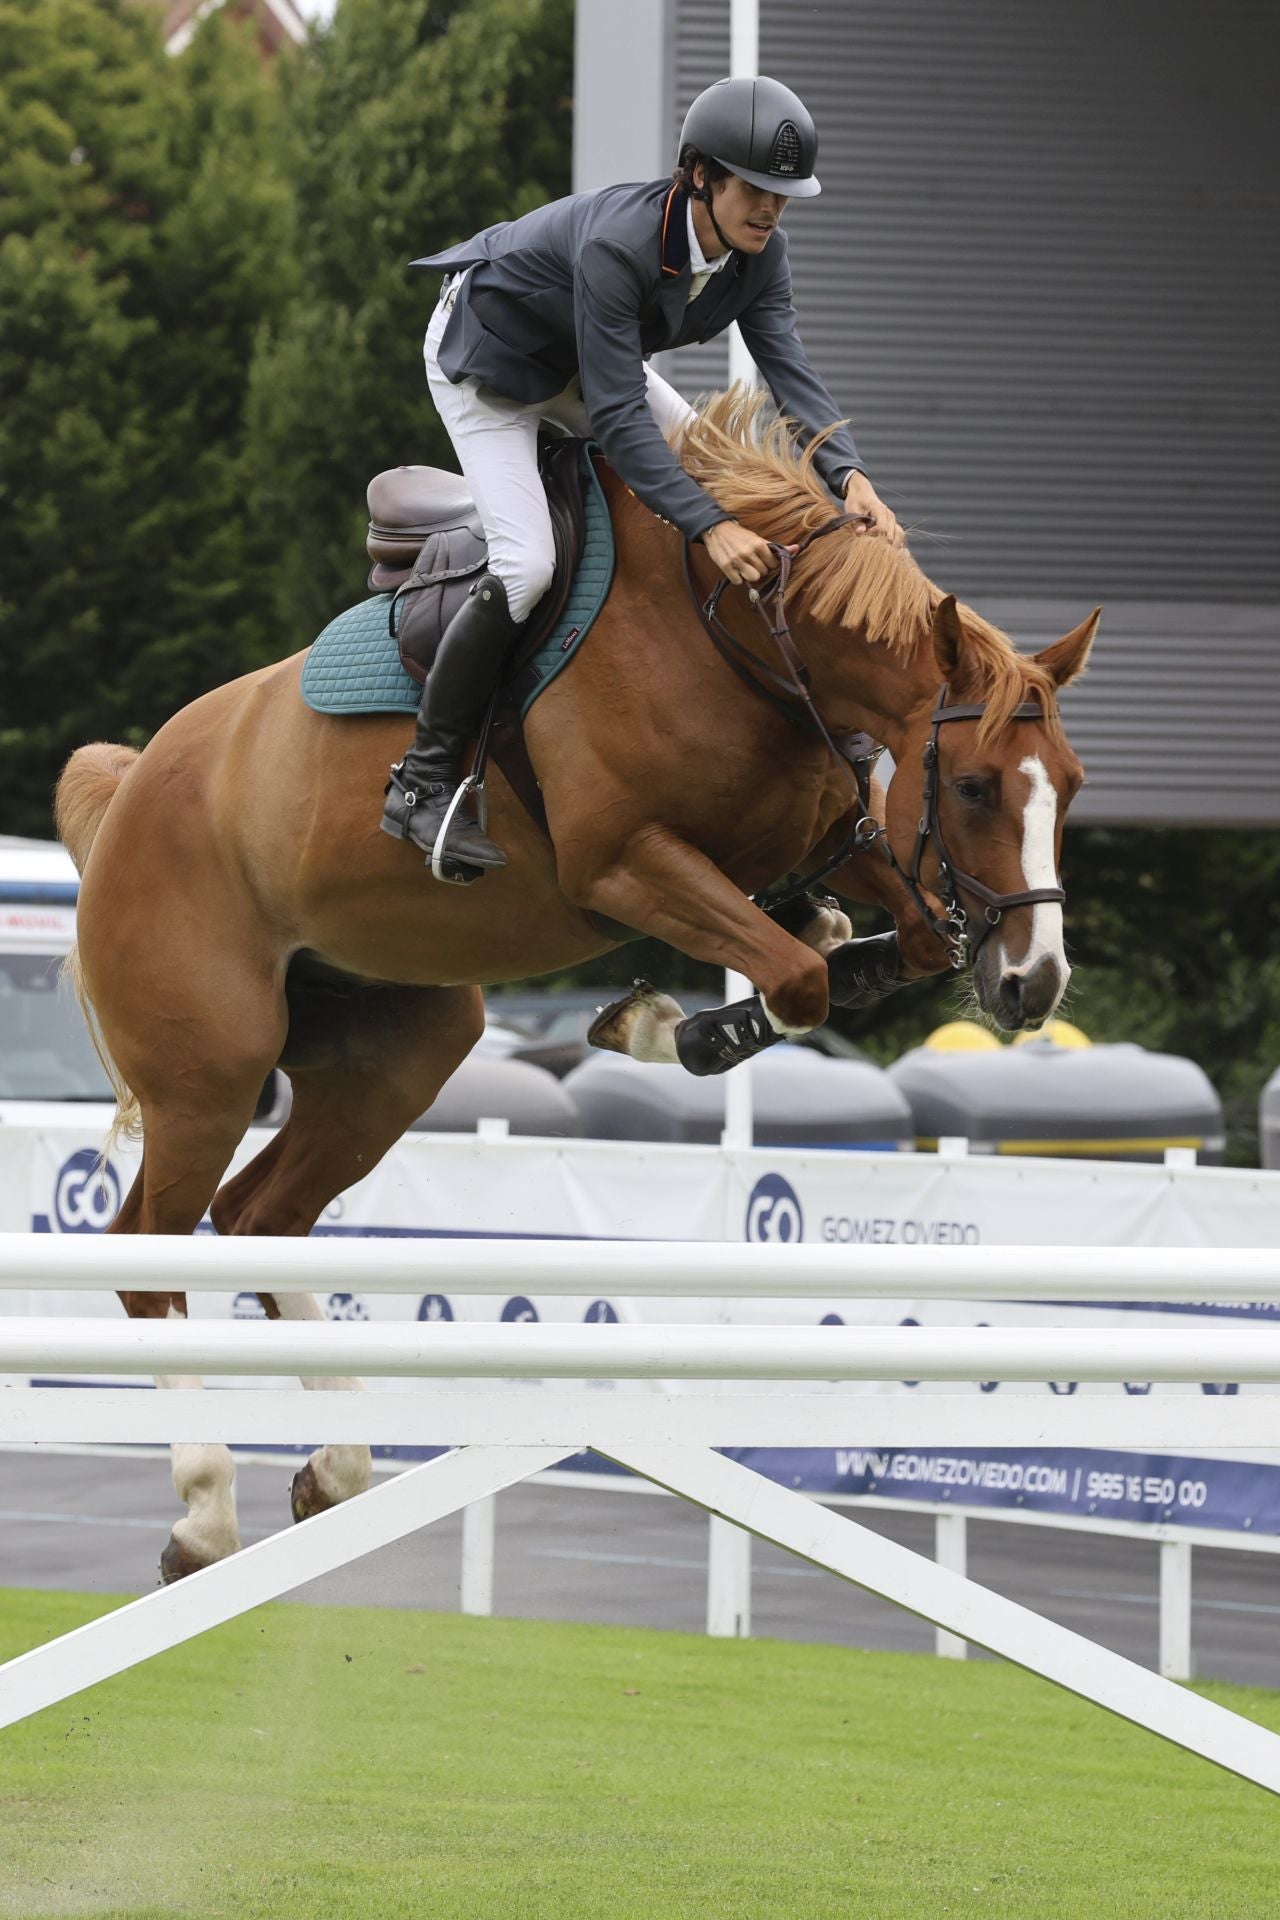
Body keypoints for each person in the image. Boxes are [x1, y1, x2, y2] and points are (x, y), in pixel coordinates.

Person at [383, 75, 899, 878]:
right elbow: (621, 418)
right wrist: (709, 526)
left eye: (783, 196)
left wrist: (851, 475)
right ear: (700, 175)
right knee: (527, 566)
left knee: (721, 468)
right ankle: (419, 782)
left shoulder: (761, 256)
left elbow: (787, 369)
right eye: (755, 190)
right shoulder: (620, 243)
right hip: (488, 365)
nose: (771, 210)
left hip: (586, 361)